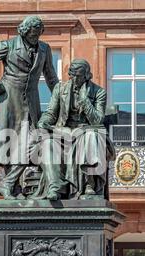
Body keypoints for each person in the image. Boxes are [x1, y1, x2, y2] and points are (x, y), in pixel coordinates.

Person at [0, 16, 59, 199]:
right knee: (10, 142)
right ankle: (12, 188)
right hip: (8, 99)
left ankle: (7, 184)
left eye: (38, 34)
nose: (35, 38)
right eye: (32, 34)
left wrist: (61, 98)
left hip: (31, 99)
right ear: (24, 32)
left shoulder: (44, 49)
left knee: (35, 140)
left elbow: (51, 77)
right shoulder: (7, 45)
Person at [35, 59, 115, 200]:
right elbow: (51, 113)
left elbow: (97, 120)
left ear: (86, 76)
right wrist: (43, 122)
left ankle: (89, 184)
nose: (74, 78)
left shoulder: (99, 92)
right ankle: (56, 186)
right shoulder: (60, 89)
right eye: (72, 74)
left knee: (91, 136)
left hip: (86, 129)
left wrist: (85, 100)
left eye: (78, 75)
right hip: (64, 131)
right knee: (47, 143)